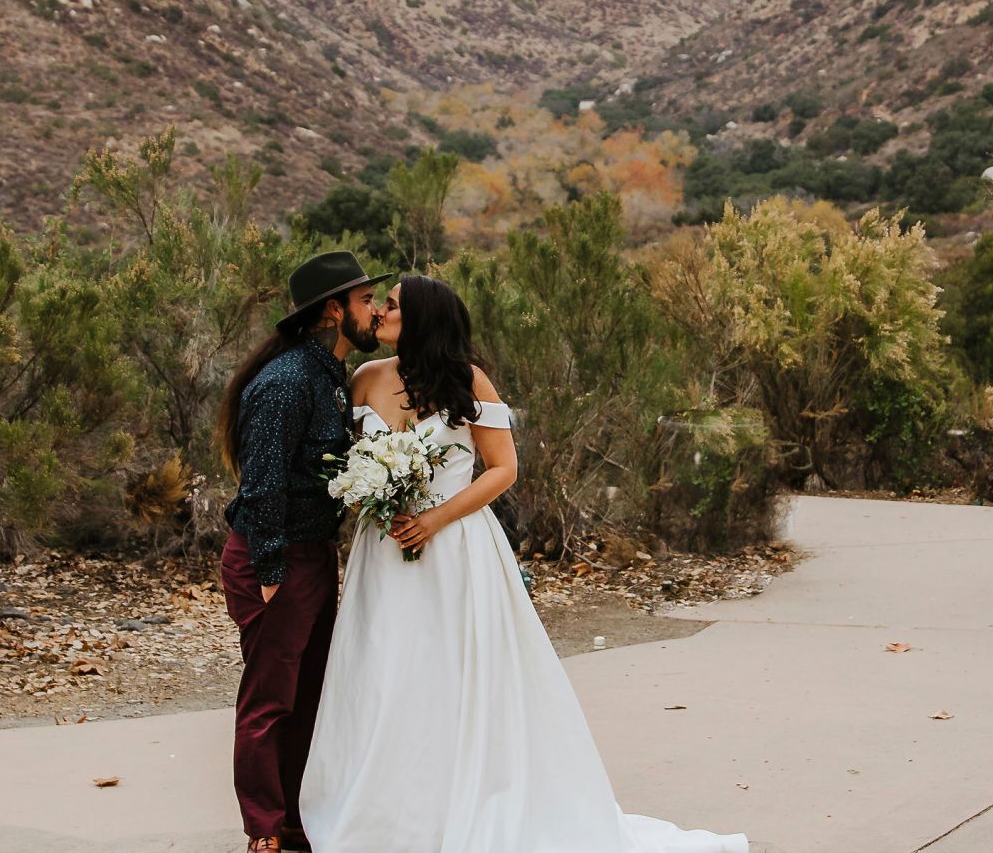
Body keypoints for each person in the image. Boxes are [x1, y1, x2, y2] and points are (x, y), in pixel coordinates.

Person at [299, 274, 749, 853]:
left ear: (427, 319)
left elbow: (502, 469)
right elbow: (348, 462)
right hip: (383, 554)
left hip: (456, 550)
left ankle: (472, 800)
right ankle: (386, 813)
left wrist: (434, 520)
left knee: (458, 672)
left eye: (392, 305)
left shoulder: (468, 381)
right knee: (386, 670)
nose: (380, 312)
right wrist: (372, 498)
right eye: (380, 304)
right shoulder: (364, 380)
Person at [217, 249, 397, 853]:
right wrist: (269, 569)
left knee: (311, 692)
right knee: (270, 696)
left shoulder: (329, 375)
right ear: (332, 310)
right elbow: (260, 481)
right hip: (274, 558)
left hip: (314, 555)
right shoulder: (288, 380)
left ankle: (297, 823)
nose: (374, 310)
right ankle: (264, 831)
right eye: (366, 300)